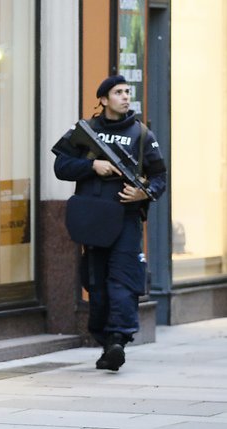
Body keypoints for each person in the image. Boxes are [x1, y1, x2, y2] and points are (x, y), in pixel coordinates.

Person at [51, 75, 166, 371]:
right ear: (103, 99)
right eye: (118, 92)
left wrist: (144, 192)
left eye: (128, 92)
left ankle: (118, 339)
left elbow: (159, 177)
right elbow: (61, 166)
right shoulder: (85, 131)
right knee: (97, 285)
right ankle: (106, 342)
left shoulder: (142, 134)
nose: (126, 97)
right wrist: (92, 165)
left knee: (123, 282)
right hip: (93, 219)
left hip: (126, 220)